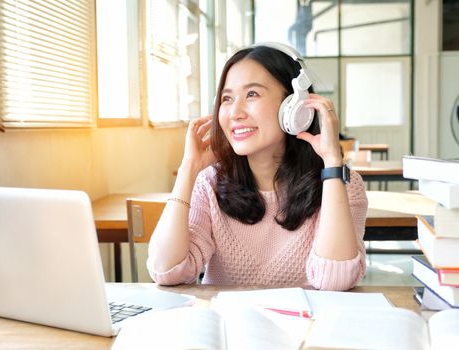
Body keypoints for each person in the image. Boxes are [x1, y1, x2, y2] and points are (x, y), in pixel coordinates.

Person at [147, 43, 368, 290]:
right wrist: (188, 169)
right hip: (226, 327)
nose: (235, 113)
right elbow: (166, 271)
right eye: (227, 99)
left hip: (303, 327)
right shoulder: (210, 183)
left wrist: (332, 163)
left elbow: (335, 280)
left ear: (294, 106)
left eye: (252, 94)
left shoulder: (341, 184)